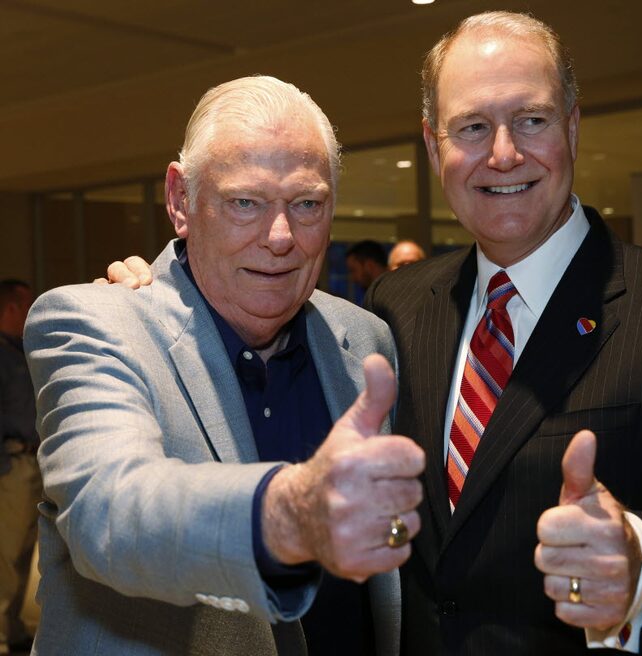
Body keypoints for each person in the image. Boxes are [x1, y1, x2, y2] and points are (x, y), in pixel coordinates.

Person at [363, 12, 642, 655]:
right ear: (431, 145)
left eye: (531, 119)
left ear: (574, 127)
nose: (503, 153)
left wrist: (636, 558)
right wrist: (167, 292)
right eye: (472, 127)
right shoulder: (396, 304)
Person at [23, 76, 425, 656]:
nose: (281, 237)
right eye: (245, 203)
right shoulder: (94, 321)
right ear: (181, 200)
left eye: (307, 204)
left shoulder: (364, 339)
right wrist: (291, 514)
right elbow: (111, 513)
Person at [0, 279, 38, 656]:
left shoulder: (20, 349)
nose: (29, 313)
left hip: (30, 460)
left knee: (23, 552)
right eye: (25, 306)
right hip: (10, 464)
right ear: (11, 308)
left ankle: (12, 632)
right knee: (7, 556)